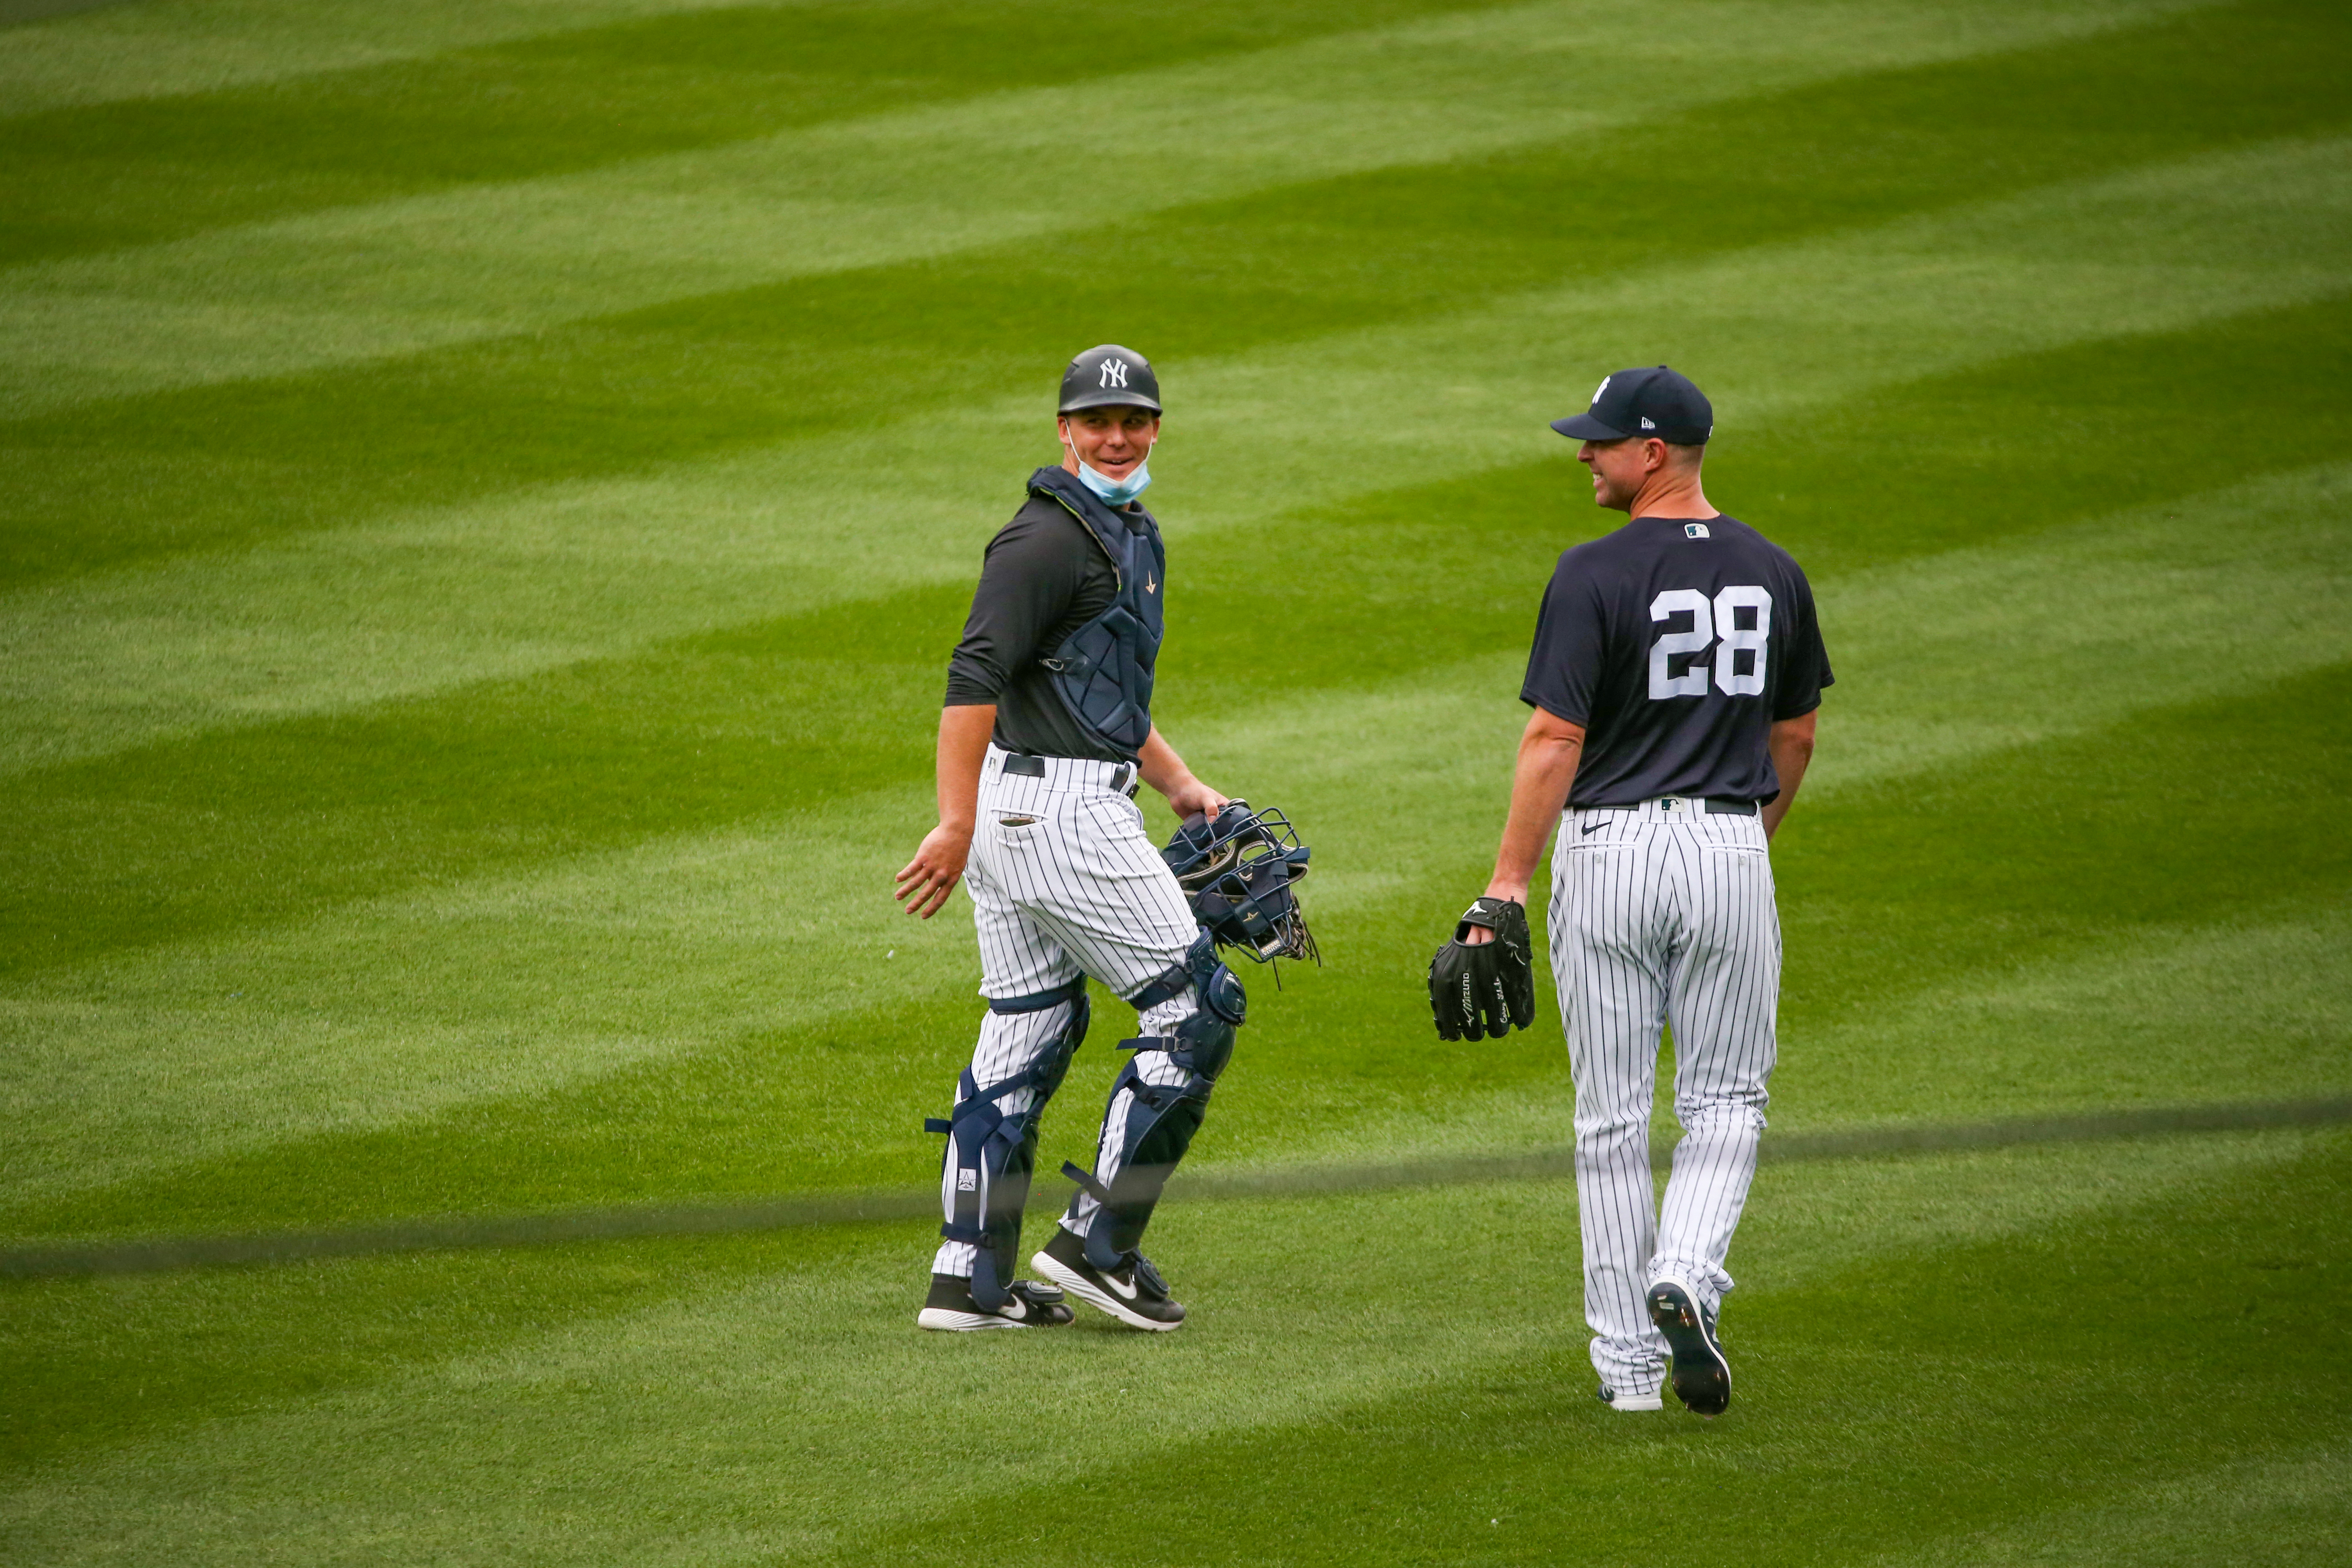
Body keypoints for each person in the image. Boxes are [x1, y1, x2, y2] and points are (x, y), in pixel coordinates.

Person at [1427, 366, 1832, 1415]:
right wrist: (1748, 840)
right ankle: (1686, 1273)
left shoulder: (1593, 574)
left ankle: (1630, 1377)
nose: (1584, 453)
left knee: (1609, 1121)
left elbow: (1555, 737)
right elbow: (1795, 732)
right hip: (1729, 851)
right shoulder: (1776, 570)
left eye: (1603, 440)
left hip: (1607, 857)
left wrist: (1506, 886)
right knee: (1727, 1101)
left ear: (1655, 452)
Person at [894, 344, 1246, 1334]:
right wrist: (953, 822)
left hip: (1034, 809)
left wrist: (1176, 782)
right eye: (1098, 421)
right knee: (1197, 1009)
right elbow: (974, 676)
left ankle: (968, 1276)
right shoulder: (1045, 542)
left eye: (1135, 420)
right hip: (1054, 817)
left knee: (1030, 1028)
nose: (1118, 436)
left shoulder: (1124, 532)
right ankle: (1101, 1245)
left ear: (1157, 427)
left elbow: (1100, 689)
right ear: (1064, 430)